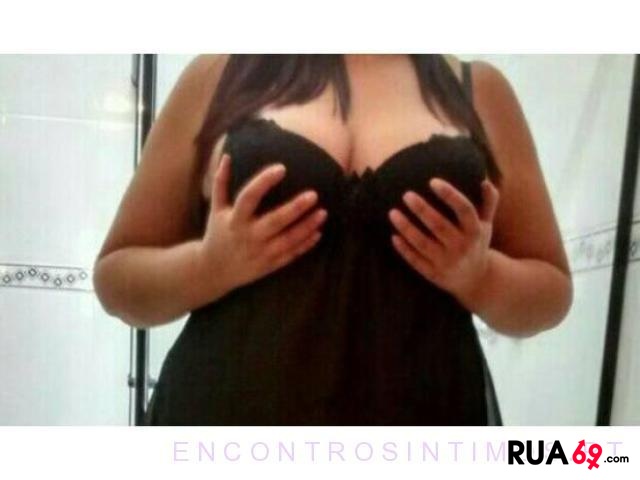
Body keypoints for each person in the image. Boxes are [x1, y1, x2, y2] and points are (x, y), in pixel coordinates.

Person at [93, 54, 573, 425]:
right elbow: (117, 279)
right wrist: (207, 267)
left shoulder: (480, 91)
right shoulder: (217, 76)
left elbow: (550, 292)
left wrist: (481, 277)